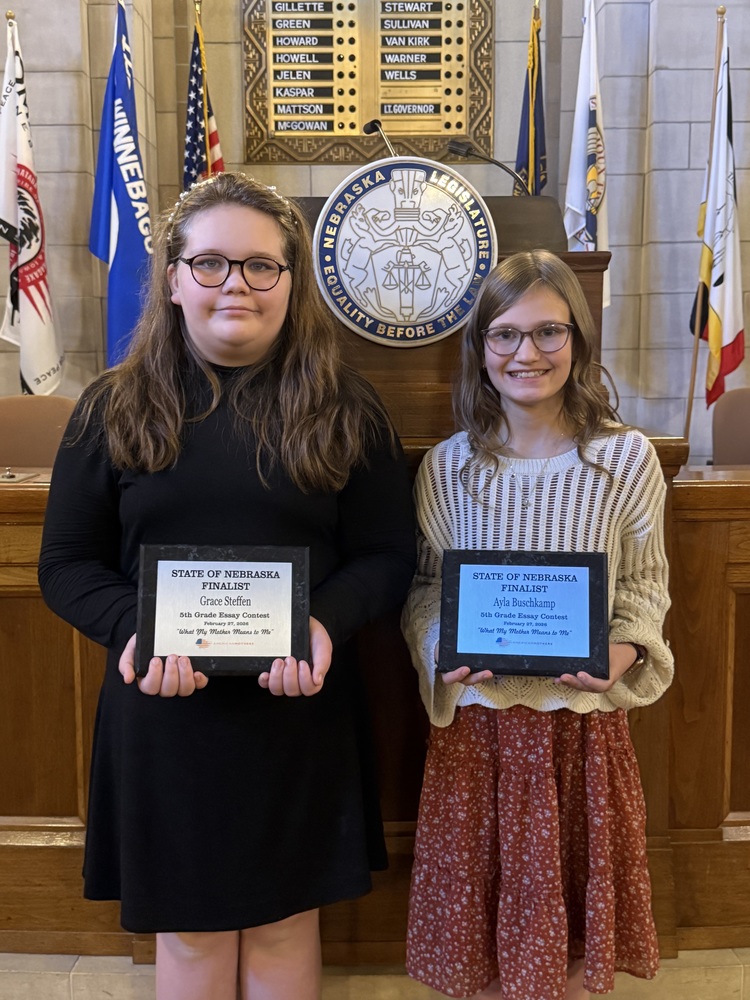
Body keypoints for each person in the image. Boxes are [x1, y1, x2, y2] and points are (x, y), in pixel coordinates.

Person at [38, 172, 416, 1000]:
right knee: (191, 930)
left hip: (298, 706)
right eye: (209, 263)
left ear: (290, 282)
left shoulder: (347, 408)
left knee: (286, 924)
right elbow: (64, 564)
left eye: (259, 265)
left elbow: (389, 554)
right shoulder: (111, 408)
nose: (234, 284)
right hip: (164, 708)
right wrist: (134, 633)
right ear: (173, 279)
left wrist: (322, 623)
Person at [401, 250, 674, 1000]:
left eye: (550, 331)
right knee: (483, 933)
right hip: (479, 732)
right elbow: (426, 589)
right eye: (506, 334)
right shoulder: (447, 468)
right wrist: (441, 644)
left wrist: (621, 651)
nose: (528, 353)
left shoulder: (625, 461)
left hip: (579, 731)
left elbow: (645, 585)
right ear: (481, 347)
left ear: (578, 340)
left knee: (573, 936)